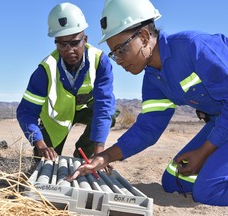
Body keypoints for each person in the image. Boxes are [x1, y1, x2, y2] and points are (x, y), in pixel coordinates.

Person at [66, 0, 228, 206]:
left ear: (143, 36)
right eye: (114, 54)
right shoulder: (153, 78)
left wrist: (204, 151)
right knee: (174, 180)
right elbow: (148, 129)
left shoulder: (194, 47)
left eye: (121, 50)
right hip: (222, 121)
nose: (119, 60)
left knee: (207, 191)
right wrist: (104, 158)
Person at [16, 2, 118, 162]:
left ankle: (83, 154)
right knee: (45, 162)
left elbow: (104, 106)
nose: (68, 49)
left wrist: (100, 152)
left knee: (110, 114)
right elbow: (26, 111)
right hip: (56, 120)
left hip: (86, 110)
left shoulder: (99, 62)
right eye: (62, 44)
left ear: (85, 39)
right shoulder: (45, 70)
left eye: (74, 42)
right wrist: (40, 144)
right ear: (55, 42)